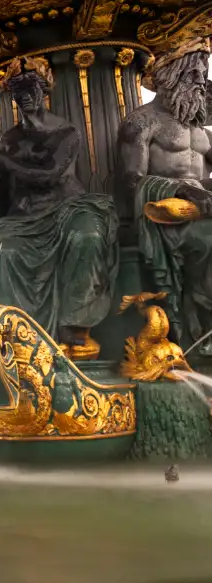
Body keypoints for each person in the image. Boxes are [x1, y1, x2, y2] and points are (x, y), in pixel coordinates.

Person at [0, 57, 118, 355]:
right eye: (18, 92)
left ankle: (74, 321)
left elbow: (49, 176)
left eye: (31, 90)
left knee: (88, 236)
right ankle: (21, 330)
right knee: (5, 249)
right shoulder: (11, 138)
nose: (25, 97)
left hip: (70, 208)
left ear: (45, 92)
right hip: (26, 215)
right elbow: (5, 182)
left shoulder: (66, 133)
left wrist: (0, 160)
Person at [118, 38, 212, 352]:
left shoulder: (201, 130)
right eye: (192, 73)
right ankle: (195, 316)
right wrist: (178, 189)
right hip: (164, 217)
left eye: (203, 72)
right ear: (169, 77)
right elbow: (132, 181)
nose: (201, 81)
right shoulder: (142, 122)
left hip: (201, 211)